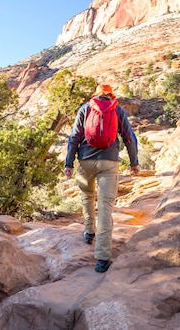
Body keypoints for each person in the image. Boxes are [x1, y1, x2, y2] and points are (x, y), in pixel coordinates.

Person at [64, 84, 140, 273]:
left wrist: (68, 163)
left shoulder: (85, 108)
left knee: (87, 197)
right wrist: (134, 163)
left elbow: (74, 137)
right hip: (109, 162)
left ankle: (89, 232)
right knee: (106, 208)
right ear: (111, 95)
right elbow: (129, 138)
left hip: (85, 161)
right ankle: (102, 259)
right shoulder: (117, 110)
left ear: (96, 94)